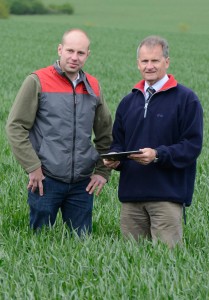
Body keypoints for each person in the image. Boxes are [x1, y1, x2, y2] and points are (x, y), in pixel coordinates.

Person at [6, 28, 112, 235]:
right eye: (70, 51)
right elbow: (15, 126)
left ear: (87, 55)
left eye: (80, 53)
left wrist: (102, 171)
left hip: (83, 183)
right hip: (46, 179)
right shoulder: (37, 81)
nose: (74, 57)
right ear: (60, 49)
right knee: (40, 242)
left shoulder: (94, 86)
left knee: (81, 245)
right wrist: (33, 167)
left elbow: (105, 132)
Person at [104, 35, 203, 248]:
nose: (149, 66)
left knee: (166, 265)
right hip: (131, 199)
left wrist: (158, 155)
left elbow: (192, 146)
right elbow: (118, 142)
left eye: (155, 61)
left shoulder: (186, 99)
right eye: (145, 61)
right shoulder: (128, 101)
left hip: (166, 198)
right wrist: (114, 159)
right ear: (138, 63)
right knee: (131, 265)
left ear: (167, 62)